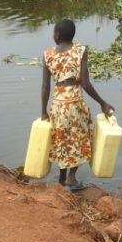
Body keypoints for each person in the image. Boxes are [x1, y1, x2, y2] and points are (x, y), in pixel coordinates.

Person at [41, 18, 114, 190]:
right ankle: (71, 178)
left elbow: (45, 86)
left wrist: (43, 111)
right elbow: (85, 84)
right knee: (78, 140)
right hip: (74, 104)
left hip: (58, 105)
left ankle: (62, 178)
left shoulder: (47, 54)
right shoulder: (80, 51)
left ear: (57, 35)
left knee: (62, 140)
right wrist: (102, 103)